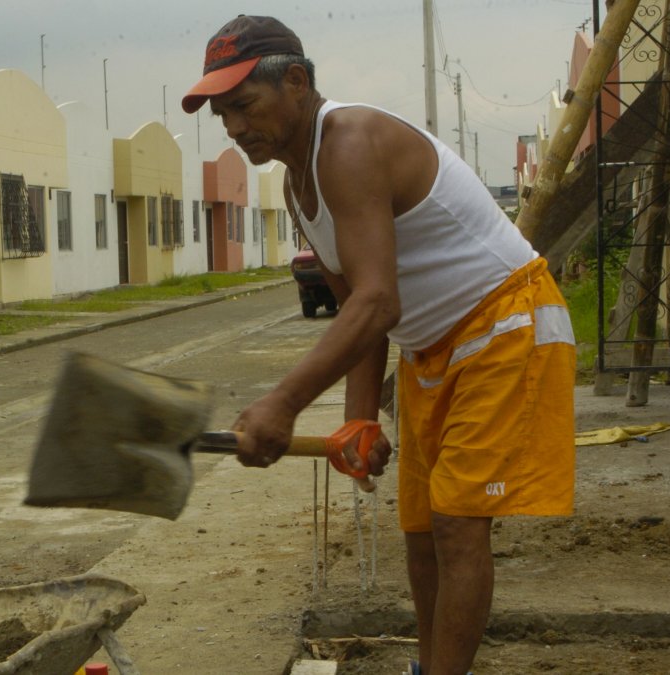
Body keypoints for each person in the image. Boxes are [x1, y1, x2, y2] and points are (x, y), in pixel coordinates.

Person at [182, 15, 576, 675]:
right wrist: (358, 419)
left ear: (298, 83)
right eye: (222, 115)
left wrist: (283, 401)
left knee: (456, 524)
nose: (234, 127)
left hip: (506, 325)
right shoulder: (298, 184)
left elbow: (377, 303)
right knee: (420, 532)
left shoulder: (349, 141)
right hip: (429, 349)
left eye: (243, 106)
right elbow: (356, 306)